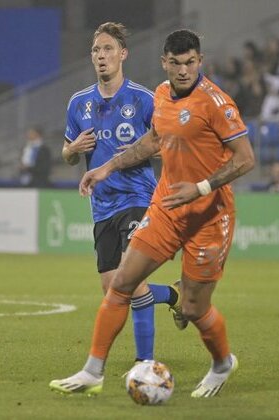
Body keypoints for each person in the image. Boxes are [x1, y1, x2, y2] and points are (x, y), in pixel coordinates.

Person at [50, 29, 255, 398]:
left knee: (194, 307)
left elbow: (246, 159)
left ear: (200, 61)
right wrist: (106, 167)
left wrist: (201, 187)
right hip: (166, 207)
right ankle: (93, 371)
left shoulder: (216, 102)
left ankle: (223, 363)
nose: (182, 70)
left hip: (209, 214)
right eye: (175, 63)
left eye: (190, 62)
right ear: (164, 63)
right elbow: (153, 141)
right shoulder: (161, 95)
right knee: (121, 283)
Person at [51, 22, 184, 395]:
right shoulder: (79, 103)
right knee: (113, 288)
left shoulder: (143, 99)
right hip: (102, 207)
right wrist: (71, 149)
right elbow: (67, 156)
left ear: (123, 54)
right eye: (96, 51)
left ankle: (147, 367)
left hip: (139, 200)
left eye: (108, 49)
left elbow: (162, 143)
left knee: (133, 279)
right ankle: (175, 296)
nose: (102, 57)